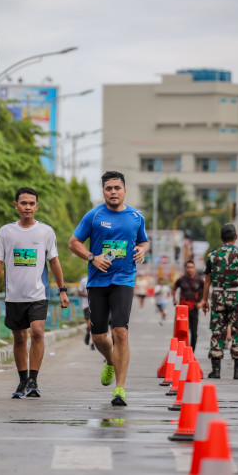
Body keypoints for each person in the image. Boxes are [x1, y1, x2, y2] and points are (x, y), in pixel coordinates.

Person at [69, 171, 149, 407]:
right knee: (99, 337)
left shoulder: (136, 216)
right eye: (108, 188)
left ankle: (120, 389)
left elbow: (143, 240)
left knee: (121, 332)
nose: (113, 192)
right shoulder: (93, 216)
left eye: (117, 188)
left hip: (124, 279)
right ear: (103, 192)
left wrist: (143, 249)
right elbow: (74, 243)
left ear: (125, 190)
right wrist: (92, 257)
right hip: (97, 282)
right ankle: (110, 361)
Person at [0, 187, 69, 399]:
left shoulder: (46, 232)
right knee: (20, 338)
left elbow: (54, 261)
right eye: (23, 203)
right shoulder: (6, 231)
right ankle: (23, 381)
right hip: (14, 296)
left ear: (37, 206)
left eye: (32, 203)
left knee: (38, 332)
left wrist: (62, 290)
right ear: (16, 206)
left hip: (38, 295)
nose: (28, 207)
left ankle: (33, 379)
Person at [199, 223, 238, 380]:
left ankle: (216, 371)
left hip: (218, 298)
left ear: (221, 238)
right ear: (235, 237)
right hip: (237, 298)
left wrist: (204, 300)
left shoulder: (212, 256)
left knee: (217, 331)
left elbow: (207, 281)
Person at [172, 260, 204, 352]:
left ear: (195, 268)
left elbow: (205, 291)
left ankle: (191, 352)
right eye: (188, 267)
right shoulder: (181, 280)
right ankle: (181, 350)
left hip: (194, 308)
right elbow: (174, 288)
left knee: (194, 333)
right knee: (182, 331)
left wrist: (202, 302)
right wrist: (174, 299)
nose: (190, 269)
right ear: (185, 269)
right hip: (182, 309)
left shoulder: (199, 280)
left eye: (192, 267)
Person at [78, 275, 94, 350]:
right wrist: (88, 295)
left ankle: (92, 343)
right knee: (89, 326)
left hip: (96, 305)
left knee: (95, 326)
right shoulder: (84, 280)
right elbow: (79, 292)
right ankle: (88, 334)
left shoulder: (98, 279)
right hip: (86, 305)